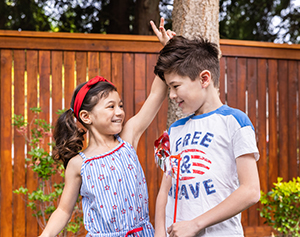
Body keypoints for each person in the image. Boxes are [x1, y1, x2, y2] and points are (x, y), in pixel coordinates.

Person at [39, 19, 173, 237]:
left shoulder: (128, 138)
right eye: (110, 106)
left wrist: (167, 50)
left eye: (120, 105)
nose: (119, 111)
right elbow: (63, 210)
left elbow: (156, 95)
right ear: (86, 116)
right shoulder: (78, 164)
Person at [153, 35, 261, 237]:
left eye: (175, 86)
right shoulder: (174, 131)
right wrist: (160, 233)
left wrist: (195, 224)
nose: (172, 95)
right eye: (169, 88)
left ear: (204, 79)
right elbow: (164, 192)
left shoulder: (235, 121)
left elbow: (251, 190)